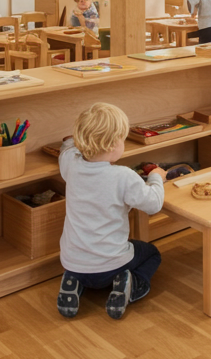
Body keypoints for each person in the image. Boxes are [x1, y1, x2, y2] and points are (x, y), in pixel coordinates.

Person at [56, 103, 164, 320]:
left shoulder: (71, 165)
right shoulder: (123, 176)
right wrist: (156, 178)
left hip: (72, 261)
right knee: (152, 253)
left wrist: (72, 141)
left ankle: (73, 280)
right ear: (114, 144)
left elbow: (66, 150)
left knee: (83, 268)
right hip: (112, 264)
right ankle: (131, 285)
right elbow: (153, 204)